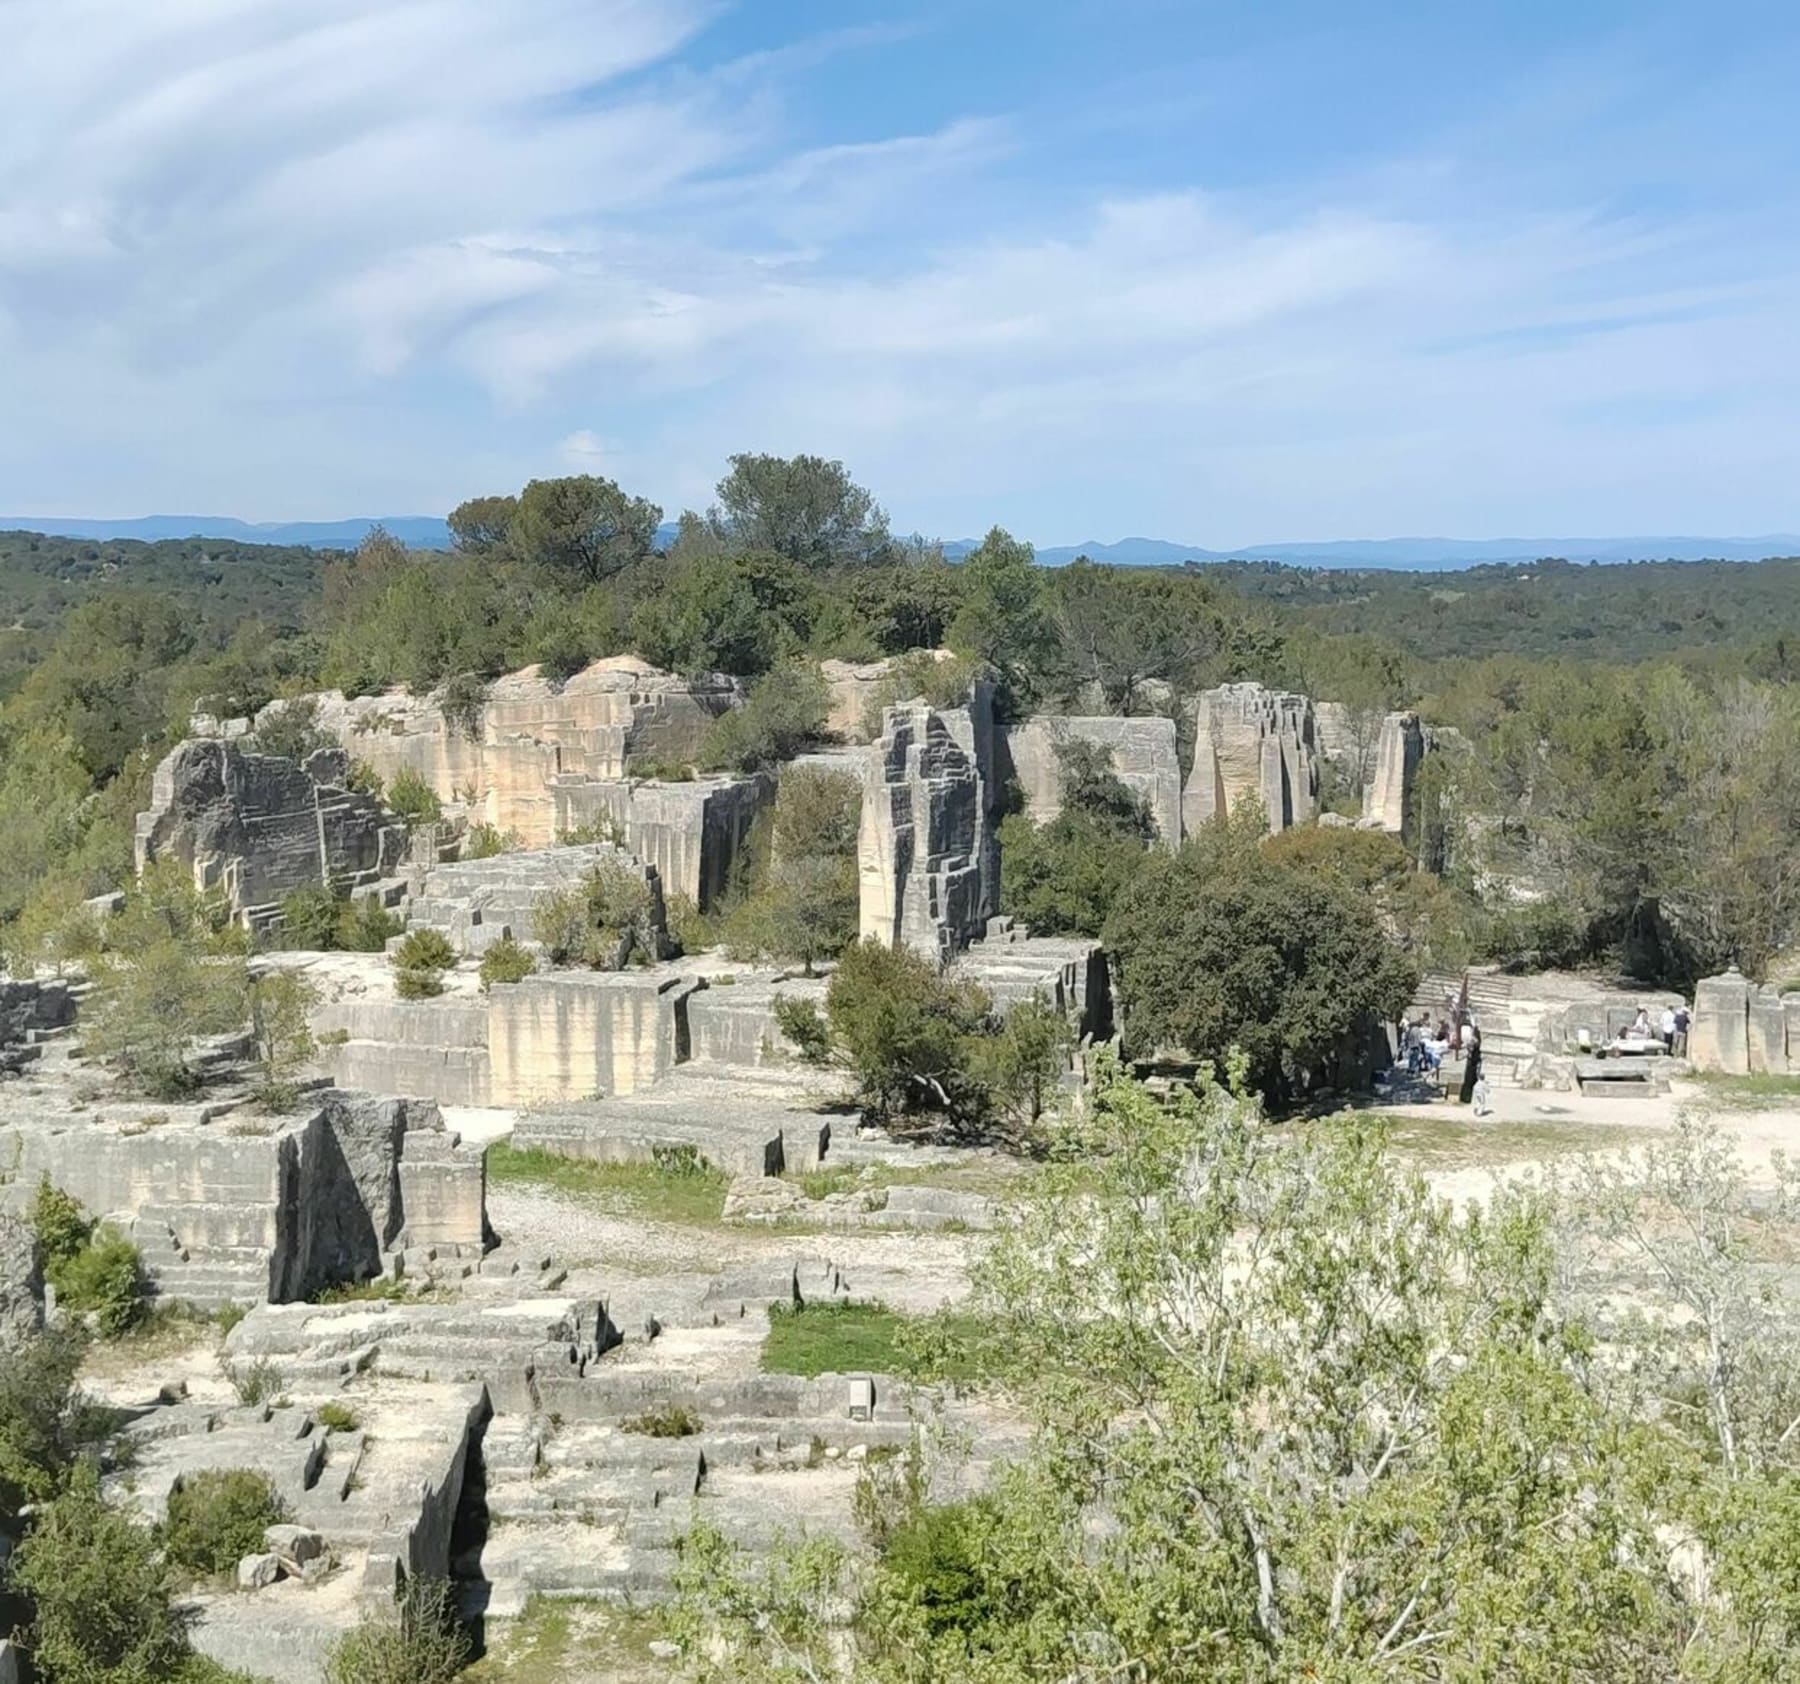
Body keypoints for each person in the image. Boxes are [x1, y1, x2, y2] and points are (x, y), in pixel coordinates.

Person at [1459, 1025, 1483, 1105]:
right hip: (1475, 1060)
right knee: (1471, 1079)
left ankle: (1465, 1098)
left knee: (1468, 1079)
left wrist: (1467, 1046)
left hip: (1472, 1061)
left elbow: (1471, 1048)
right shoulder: (1478, 1039)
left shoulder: (1474, 1040)